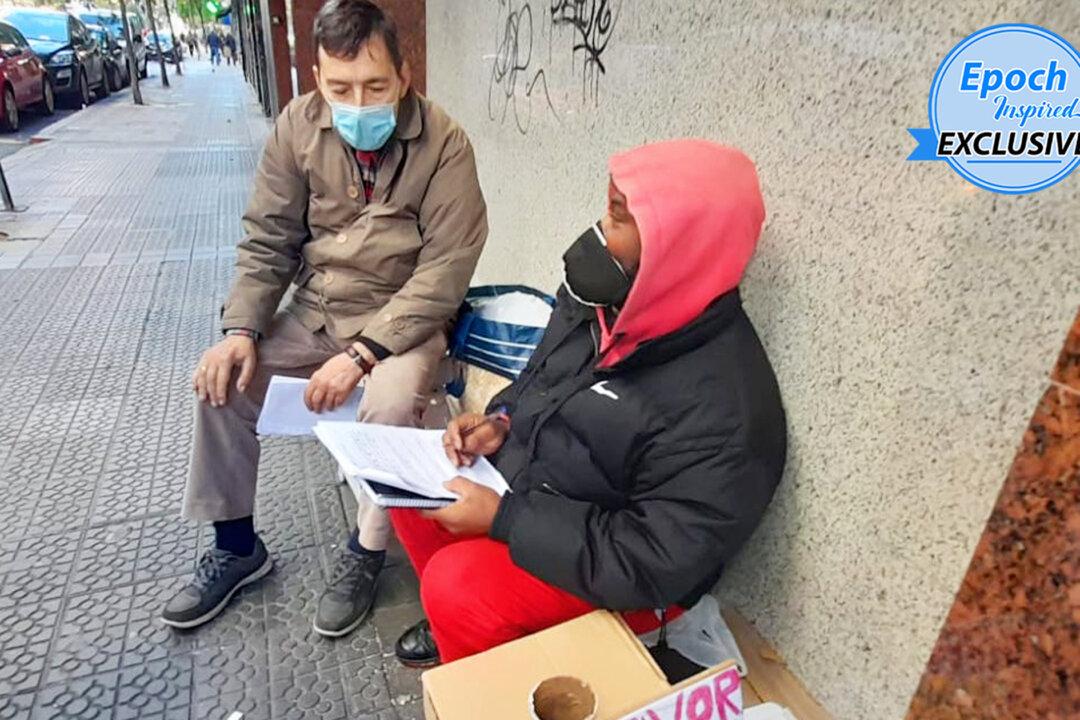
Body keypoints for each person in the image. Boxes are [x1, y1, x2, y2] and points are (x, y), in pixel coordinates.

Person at [386, 139, 787, 668]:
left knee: (457, 586)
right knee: (407, 490)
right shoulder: (599, 299)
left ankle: (477, 634)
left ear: (679, 245)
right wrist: (501, 423)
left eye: (617, 217)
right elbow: (538, 381)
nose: (598, 232)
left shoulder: (728, 409)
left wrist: (506, 521)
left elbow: (652, 563)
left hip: (631, 579)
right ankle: (466, 629)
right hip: (546, 501)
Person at [161, 0, 487, 638]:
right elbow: (268, 238)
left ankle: (365, 552)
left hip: (405, 323)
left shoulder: (446, 143)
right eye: (340, 88)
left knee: (391, 406)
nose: (358, 103)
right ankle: (235, 547)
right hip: (316, 310)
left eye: (375, 86)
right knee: (222, 382)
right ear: (315, 76)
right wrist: (240, 330)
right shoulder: (297, 127)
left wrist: (364, 354)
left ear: (405, 72)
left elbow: (446, 269)